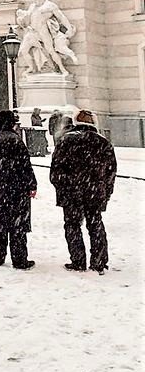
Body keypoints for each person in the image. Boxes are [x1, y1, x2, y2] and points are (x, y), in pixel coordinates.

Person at [49, 109, 117, 274]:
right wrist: (106, 191)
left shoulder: (66, 141)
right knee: (96, 224)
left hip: (71, 193)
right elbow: (111, 171)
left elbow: (56, 171)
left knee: (72, 225)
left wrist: (63, 187)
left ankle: (78, 260)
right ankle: (99, 261)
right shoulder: (103, 143)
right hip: (95, 192)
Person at [0, 110, 37, 270]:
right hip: (18, 188)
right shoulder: (16, 141)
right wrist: (31, 184)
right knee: (18, 225)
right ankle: (19, 259)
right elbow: (25, 165)